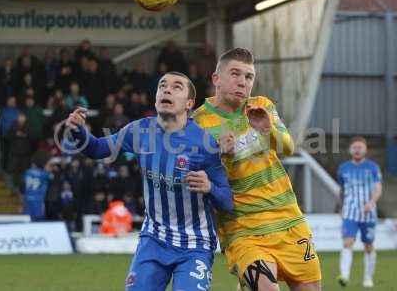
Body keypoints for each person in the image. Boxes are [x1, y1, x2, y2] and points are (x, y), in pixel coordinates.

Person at [64, 71, 233, 291]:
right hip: (154, 239)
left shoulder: (204, 144)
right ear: (155, 98)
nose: (167, 89)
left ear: (189, 104)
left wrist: (209, 187)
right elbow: (97, 148)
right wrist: (78, 131)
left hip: (194, 245)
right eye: (162, 85)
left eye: (176, 87)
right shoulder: (140, 130)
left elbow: (228, 202)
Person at [192, 48, 321, 291]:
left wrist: (267, 129)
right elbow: (194, 173)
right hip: (244, 228)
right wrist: (218, 154)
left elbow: (288, 146)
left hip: (288, 220)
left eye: (249, 77)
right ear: (216, 79)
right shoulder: (198, 122)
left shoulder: (262, 105)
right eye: (235, 74)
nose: (242, 81)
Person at [337, 136, 382, 288]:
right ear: (350, 150)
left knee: (368, 245)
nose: (357, 150)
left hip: (368, 212)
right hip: (350, 211)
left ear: (365, 149)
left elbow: (378, 187)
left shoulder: (373, 167)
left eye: (360, 147)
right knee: (347, 242)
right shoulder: (343, 168)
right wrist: (341, 207)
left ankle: (368, 278)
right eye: (354, 147)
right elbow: (342, 190)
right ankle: (344, 276)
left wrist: (372, 202)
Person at [22, 155, 54, 221]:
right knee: (39, 222)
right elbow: (52, 176)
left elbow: (23, 182)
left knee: (28, 221)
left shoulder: (27, 172)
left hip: (28, 200)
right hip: (38, 202)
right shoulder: (44, 174)